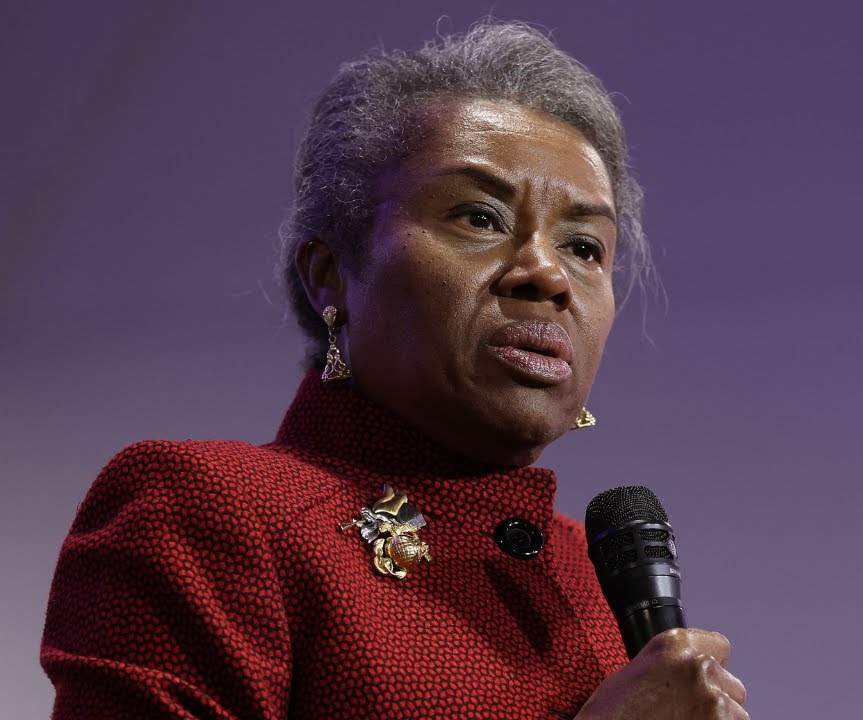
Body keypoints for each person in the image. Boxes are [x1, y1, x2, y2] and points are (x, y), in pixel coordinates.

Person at [40, 21, 748, 720]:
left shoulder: (594, 580)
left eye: (585, 248)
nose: (548, 274)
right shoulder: (210, 511)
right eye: (480, 217)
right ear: (330, 274)